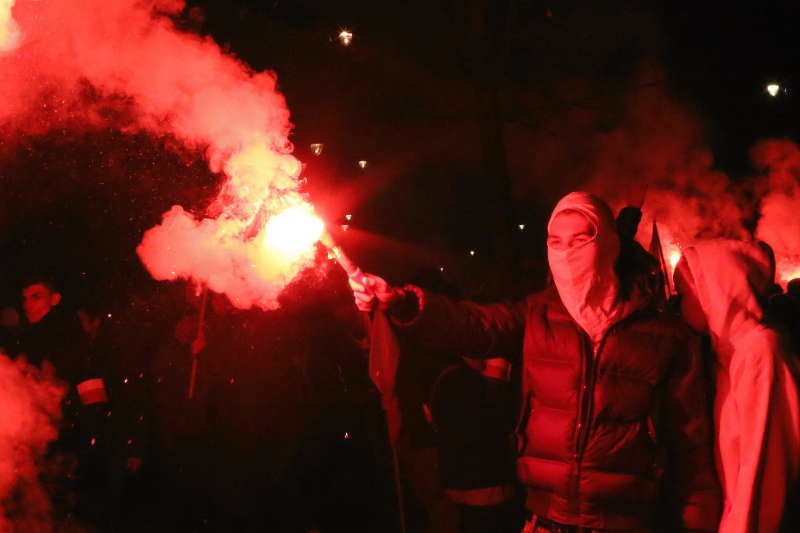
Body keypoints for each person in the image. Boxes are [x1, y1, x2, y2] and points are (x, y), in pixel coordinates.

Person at [351, 191, 721, 532]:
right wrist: (400, 301)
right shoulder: (536, 317)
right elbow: (473, 325)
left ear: (608, 243)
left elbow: (691, 442)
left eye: (580, 239)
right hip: (545, 520)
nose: (567, 252)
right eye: (555, 241)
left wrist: (697, 521)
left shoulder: (666, 336)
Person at [674, 240, 800, 533]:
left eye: (683, 293)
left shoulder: (760, 351)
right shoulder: (730, 354)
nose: (679, 304)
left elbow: (763, 470)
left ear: (713, 290)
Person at [429, 357, 521, 533]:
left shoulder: (446, 376)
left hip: (455, 485)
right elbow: (495, 422)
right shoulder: (472, 382)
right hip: (487, 487)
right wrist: (497, 377)